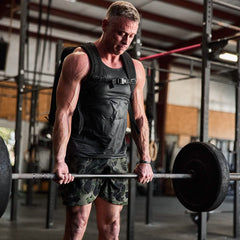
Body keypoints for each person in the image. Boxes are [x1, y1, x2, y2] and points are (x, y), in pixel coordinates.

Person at [52, 1, 153, 239]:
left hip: (116, 158)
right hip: (82, 155)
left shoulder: (135, 69)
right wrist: (59, 159)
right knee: (77, 224)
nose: (126, 41)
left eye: (131, 36)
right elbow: (64, 113)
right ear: (105, 24)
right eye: (120, 33)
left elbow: (139, 116)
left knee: (112, 227)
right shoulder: (80, 61)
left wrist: (145, 159)